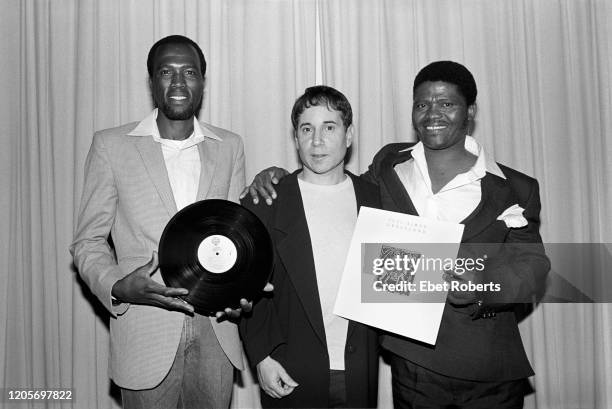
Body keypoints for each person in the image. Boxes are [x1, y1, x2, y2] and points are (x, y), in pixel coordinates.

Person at [243, 61, 550, 408]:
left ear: (471, 111)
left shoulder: (514, 187)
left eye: (446, 103)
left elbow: (533, 267)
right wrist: (274, 177)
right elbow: (321, 189)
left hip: (488, 365)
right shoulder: (387, 167)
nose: (433, 113)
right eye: (422, 104)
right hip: (412, 366)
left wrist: (483, 282)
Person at [70, 35, 267, 409]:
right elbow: (88, 241)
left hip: (216, 329)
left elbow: (234, 238)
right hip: (144, 331)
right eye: (166, 72)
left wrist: (243, 289)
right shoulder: (111, 146)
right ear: (152, 82)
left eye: (189, 72)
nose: (178, 83)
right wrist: (118, 287)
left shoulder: (229, 146)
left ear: (202, 82)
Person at [239, 86, 380, 408]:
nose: (317, 141)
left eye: (329, 127)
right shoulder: (265, 201)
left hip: (359, 371)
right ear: (296, 138)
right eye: (307, 129)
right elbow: (248, 288)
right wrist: (262, 356)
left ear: (349, 135)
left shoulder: (375, 200)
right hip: (289, 369)